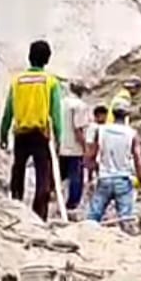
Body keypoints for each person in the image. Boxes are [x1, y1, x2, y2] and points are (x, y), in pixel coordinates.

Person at [0, 41, 62, 221]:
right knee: (43, 173)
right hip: (40, 134)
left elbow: (8, 110)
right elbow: (56, 113)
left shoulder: (18, 81)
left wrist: (3, 133)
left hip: (20, 133)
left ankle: (16, 205)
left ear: (29, 57)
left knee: (18, 169)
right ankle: (39, 214)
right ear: (47, 59)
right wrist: (59, 137)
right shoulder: (50, 82)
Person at [86, 100, 141, 228]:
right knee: (125, 218)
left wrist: (90, 177)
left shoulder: (101, 130)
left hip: (104, 178)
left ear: (112, 114)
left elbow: (91, 155)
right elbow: (138, 159)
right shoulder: (132, 134)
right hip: (123, 179)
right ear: (126, 116)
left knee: (93, 216)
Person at [59, 81, 90, 211]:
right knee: (76, 177)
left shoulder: (61, 103)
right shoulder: (80, 106)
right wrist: (85, 148)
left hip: (61, 146)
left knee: (60, 175)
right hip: (74, 149)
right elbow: (78, 129)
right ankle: (72, 205)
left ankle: (55, 199)